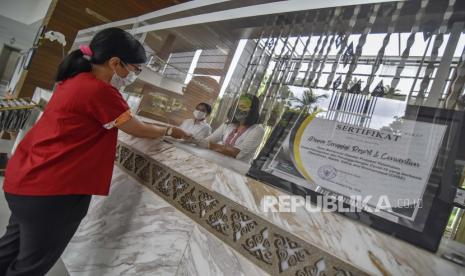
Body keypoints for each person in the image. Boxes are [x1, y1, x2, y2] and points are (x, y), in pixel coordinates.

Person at [0, 27, 190, 276]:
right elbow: (137, 128)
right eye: (134, 69)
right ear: (115, 62)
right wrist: (169, 131)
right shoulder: (101, 91)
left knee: (9, 248)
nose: (133, 74)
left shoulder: (73, 80)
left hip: (24, 180)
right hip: (53, 192)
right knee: (30, 266)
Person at [195, 94, 264, 163]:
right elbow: (208, 140)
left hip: (236, 170)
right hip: (219, 163)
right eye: (236, 106)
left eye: (243, 106)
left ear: (253, 110)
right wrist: (193, 139)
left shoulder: (257, 130)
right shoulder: (228, 125)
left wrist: (206, 144)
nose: (238, 109)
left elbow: (235, 153)